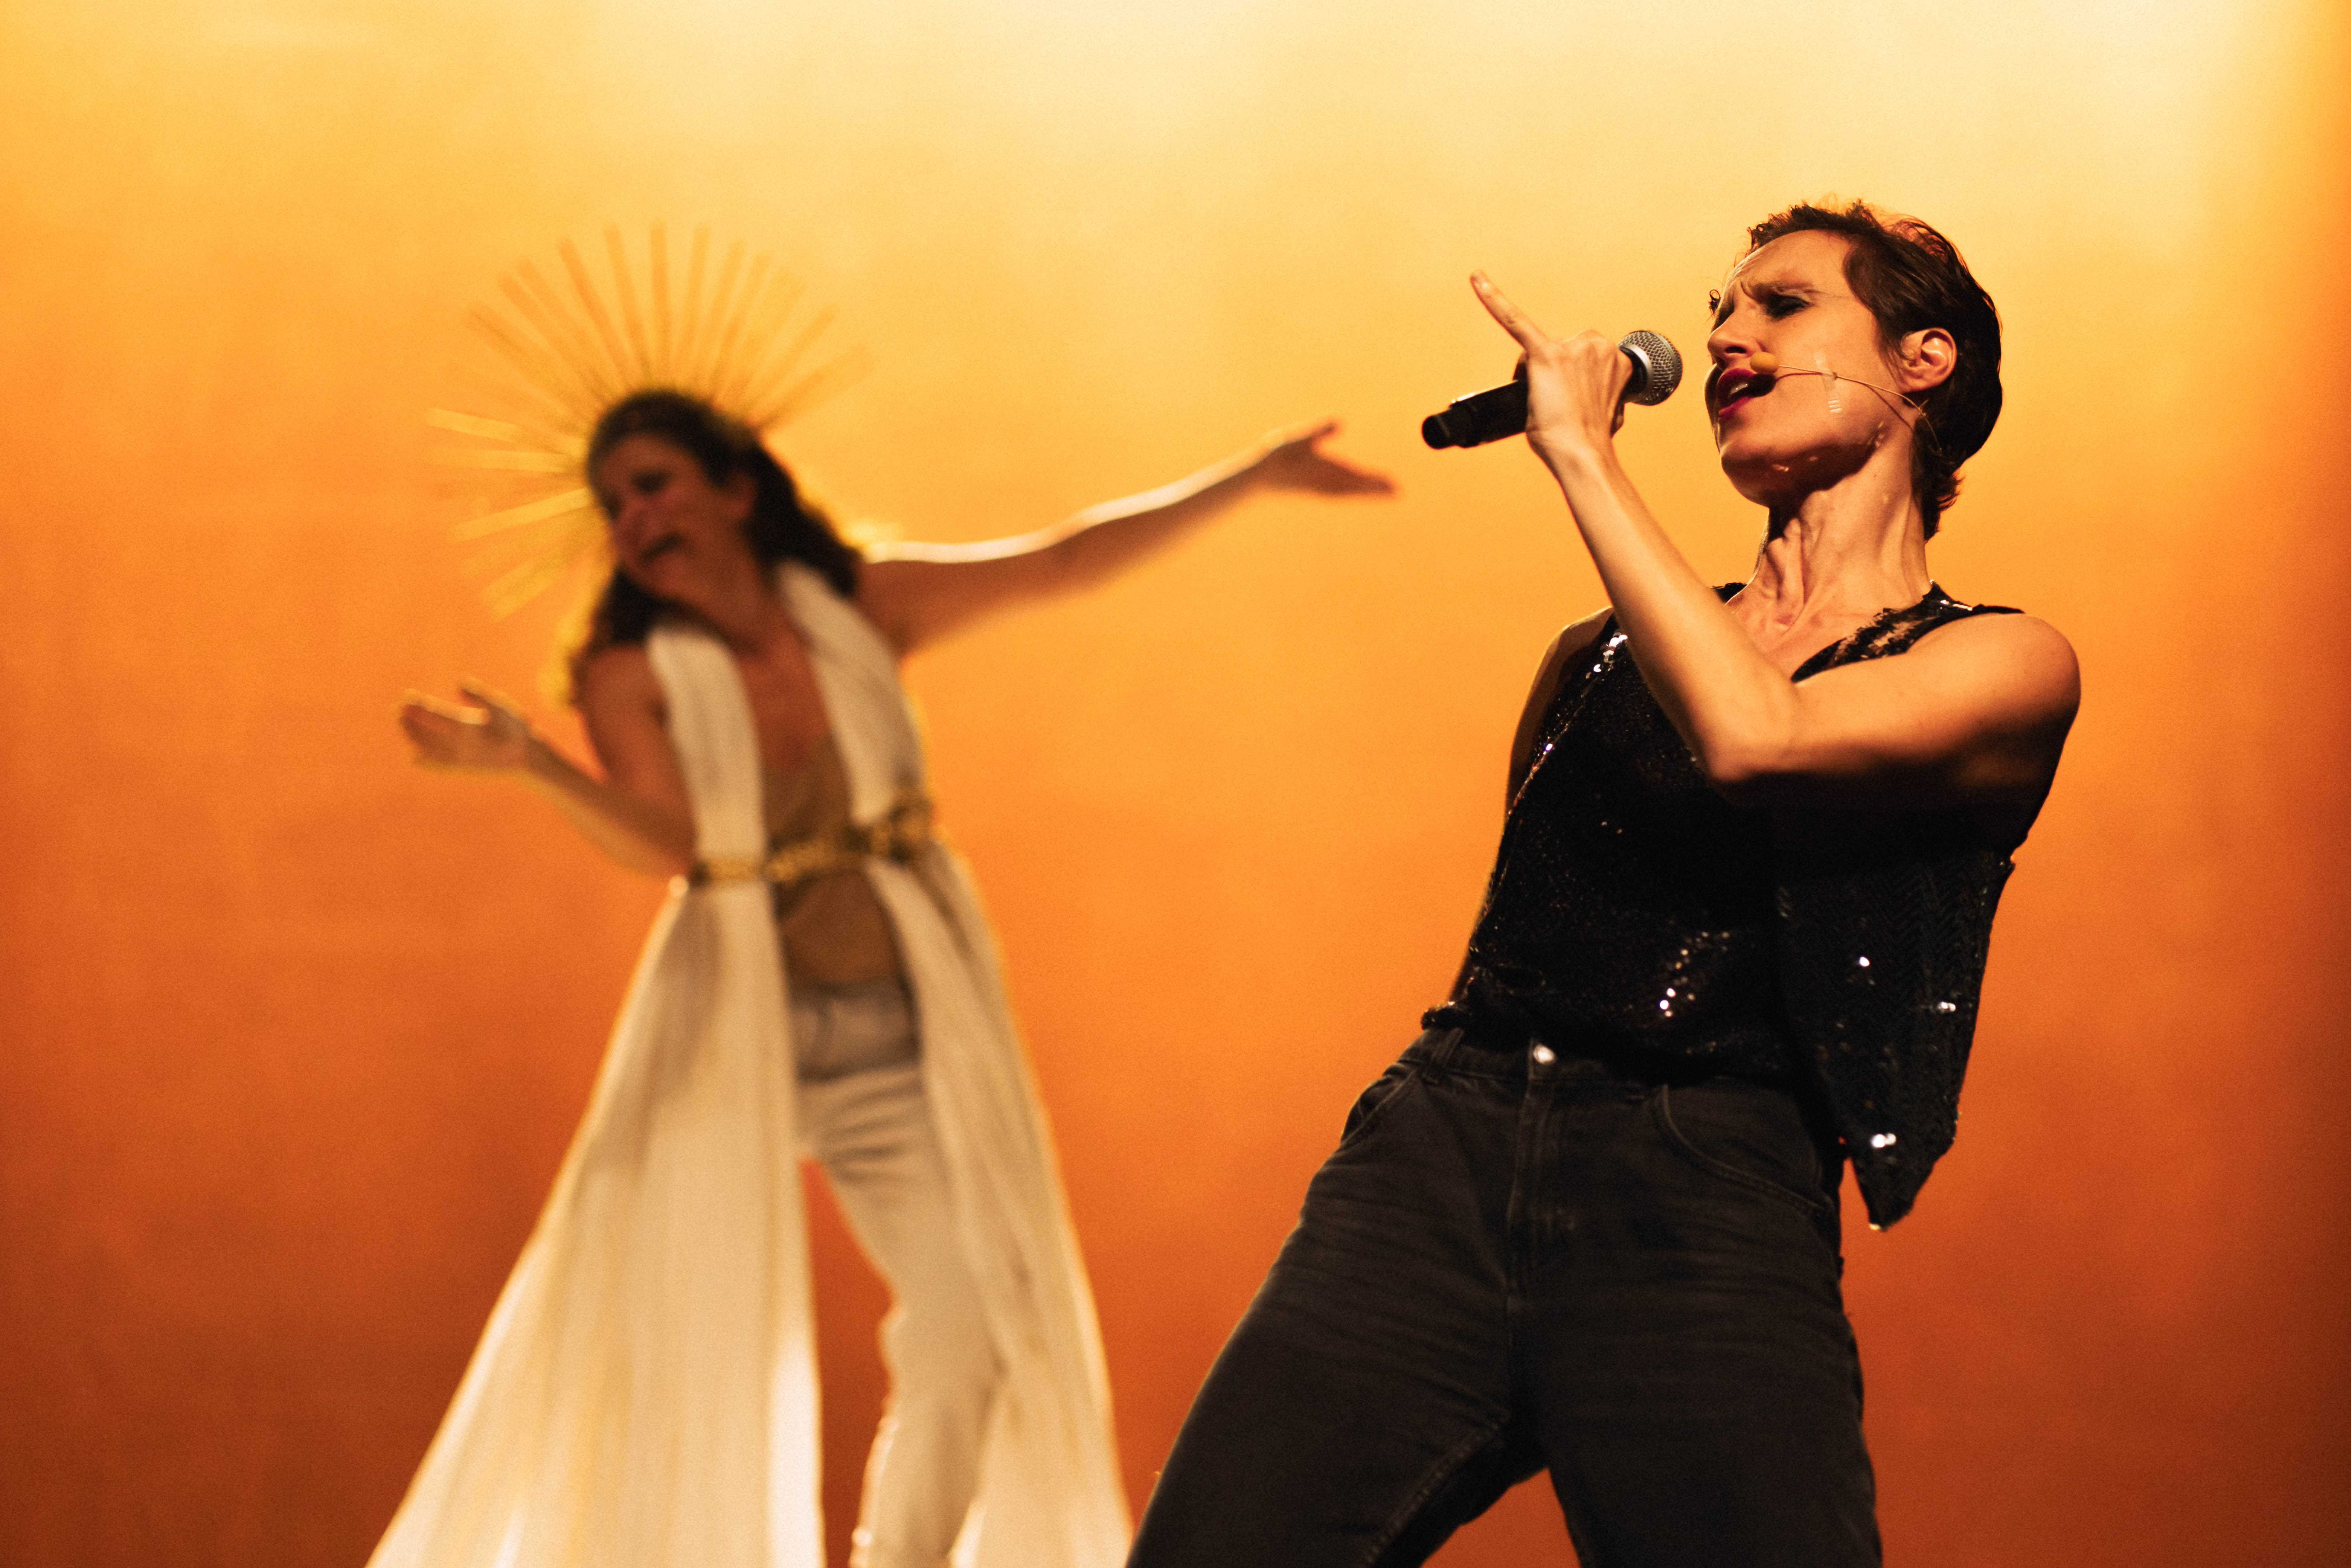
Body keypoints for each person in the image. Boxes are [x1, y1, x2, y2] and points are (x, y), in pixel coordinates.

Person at [1126, 201, 2080, 1568]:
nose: (1729, 339)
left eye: (1782, 306)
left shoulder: (2005, 662)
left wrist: (1580, 450)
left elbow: (1760, 740)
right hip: (1441, 1156)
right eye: (1719, 316)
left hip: (1707, 1188)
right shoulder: (1597, 654)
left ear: (1923, 361)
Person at [382, 390, 1391, 1568]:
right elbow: (671, 843)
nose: (633, 519)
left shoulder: (861, 604)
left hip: (886, 1036)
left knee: (973, 1328)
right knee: (646, 1325)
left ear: (736, 490)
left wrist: (1251, 476)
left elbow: (1062, 561)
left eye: (653, 484)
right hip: (726, 1037)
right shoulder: (629, 670)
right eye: (613, 505)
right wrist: (538, 768)